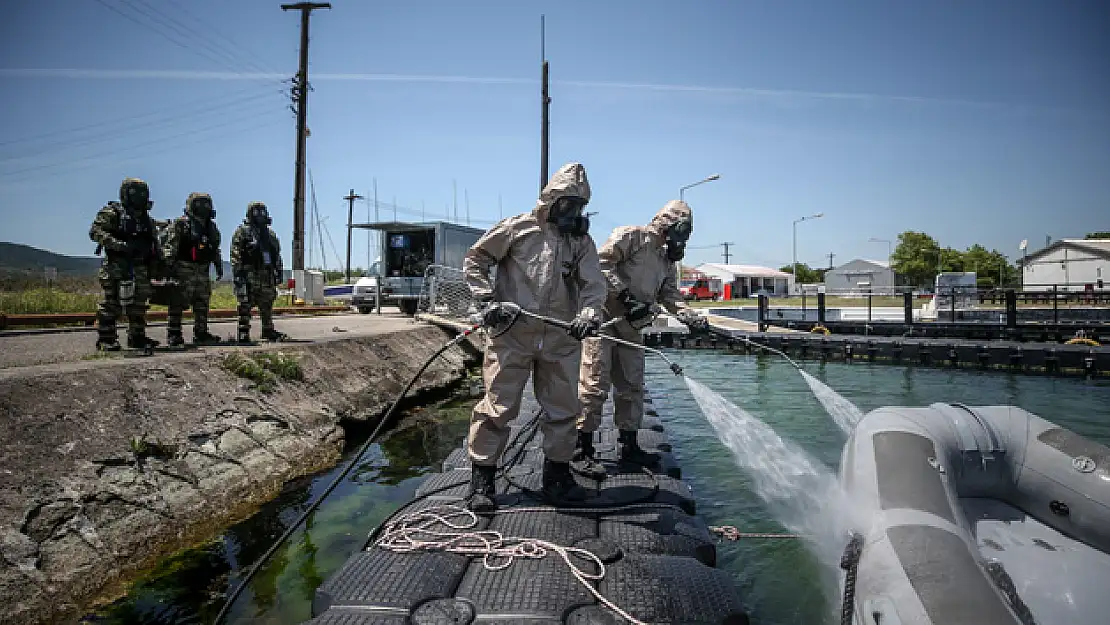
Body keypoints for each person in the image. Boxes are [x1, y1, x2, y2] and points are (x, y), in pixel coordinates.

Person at [464, 162, 608, 510]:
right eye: (567, 204)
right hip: (512, 334)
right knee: (498, 406)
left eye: (579, 206)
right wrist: (486, 300)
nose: (573, 212)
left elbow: (594, 285)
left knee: (563, 410)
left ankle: (557, 478)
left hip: (560, 339)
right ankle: (482, 482)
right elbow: (476, 258)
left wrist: (588, 314)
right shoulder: (518, 228)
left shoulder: (581, 242)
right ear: (552, 200)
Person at [573, 199, 704, 477]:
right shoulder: (631, 236)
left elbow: (669, 293)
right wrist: (626, 296)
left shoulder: (665, 258)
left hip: (631, 326)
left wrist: (688, 316)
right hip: (605, 320)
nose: (682, 237)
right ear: (668, 223)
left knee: (632, 385)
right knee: (595, 383)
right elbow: (601, 264)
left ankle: (629, 446)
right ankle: (581, 449)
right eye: (682, 229)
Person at [88, 177, 161, 351]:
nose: (141, 196)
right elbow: (95, 232)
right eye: (136, 192)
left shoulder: (146, 219)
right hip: (117, 265)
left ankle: (137, 337)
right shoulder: (113, 212)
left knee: (139, 304)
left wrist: (157, 261)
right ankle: (106, 339)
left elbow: (154, 241)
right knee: (111, 303)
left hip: (140, 267)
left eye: (143, 192)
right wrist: (120, 246)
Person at [163, 192, 224, 346]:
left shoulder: (211, 227)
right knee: (177, 302)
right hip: (184, 269)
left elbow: (215, 247)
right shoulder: (181, 224)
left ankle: (201, 333)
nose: (203, 207)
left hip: (202, 270)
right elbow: (171, 246)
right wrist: (168, 267)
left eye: (206, 204)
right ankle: (174, 334)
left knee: (202, 303)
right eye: (199, 203)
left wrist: (218, 265)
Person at [230, 201, 287, 343]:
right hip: (249, 273)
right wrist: (238, 272)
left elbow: (276, 254)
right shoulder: (243, 231)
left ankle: (267, 330)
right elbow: (236, 252)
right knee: (245, 303)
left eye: (262, 212)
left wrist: (279, 271)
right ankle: (243, 332)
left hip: (266, 273)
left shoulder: (270, 234)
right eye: (256, 212)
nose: (260, 215)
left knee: (267, 303)